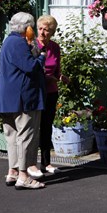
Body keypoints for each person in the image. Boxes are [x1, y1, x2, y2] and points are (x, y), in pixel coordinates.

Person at [0, 12, 47, 190]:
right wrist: (41, 56)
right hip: (22, 98)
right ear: (28, 28)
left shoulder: (8, 41)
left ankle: (13, 171)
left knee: (12, 136)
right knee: (25, 136)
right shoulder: (18, 42)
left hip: (6, 97)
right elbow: (30, 67)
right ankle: (24, 176)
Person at [27, 14, 63, 176]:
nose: (42, 32)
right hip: (36, 91)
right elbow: (30, 69)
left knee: (47, 126)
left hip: (51, 91)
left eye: (46, 30)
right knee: (34, 127)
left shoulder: (55, 47)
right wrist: (45, 77)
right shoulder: (31, 45)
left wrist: (61, 77)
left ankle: (46, 163)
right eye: (40, 29)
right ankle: (31, 164)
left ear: (52, 32)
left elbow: (57, 70)